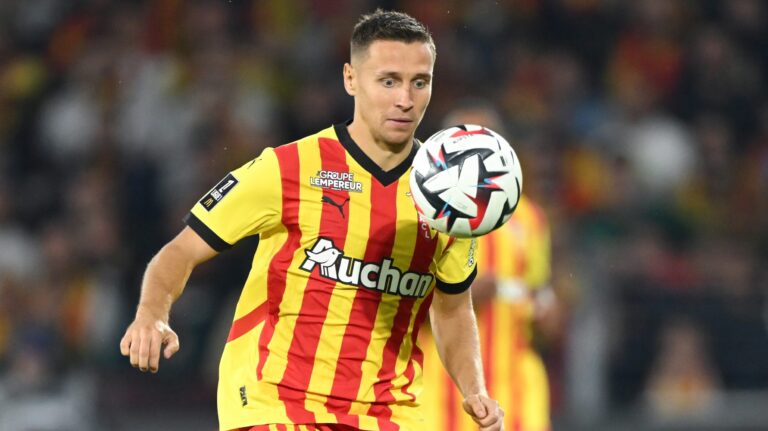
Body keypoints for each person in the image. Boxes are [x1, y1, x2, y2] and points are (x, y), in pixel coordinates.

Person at [120, 10, 504, 431]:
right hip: (275, 403)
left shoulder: (448, 199)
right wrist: (152, 314)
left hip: (387, 414)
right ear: (351, 79)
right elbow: (182, 250)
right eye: (389, 80)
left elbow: (451, 309)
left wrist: (474, 389)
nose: (405, 100)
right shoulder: (288, 168)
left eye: (420, 82)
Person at [419, 101, 557, 431]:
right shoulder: (420, 212)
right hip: (440, 393)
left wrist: (549, 313)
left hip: (515, 391)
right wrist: (451, 294)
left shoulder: (530, 218)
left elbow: (539, 294)